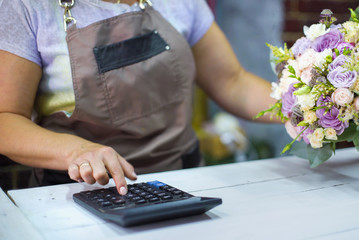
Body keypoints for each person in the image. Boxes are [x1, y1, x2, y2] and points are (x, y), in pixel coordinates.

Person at [0, 0, 278, 195]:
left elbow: (233, 82)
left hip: (185, 185)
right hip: (80, 194)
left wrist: (305, 106)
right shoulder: (26, 7)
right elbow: (6, 120)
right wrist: (77, 151)